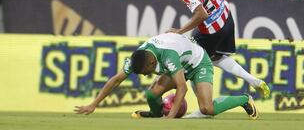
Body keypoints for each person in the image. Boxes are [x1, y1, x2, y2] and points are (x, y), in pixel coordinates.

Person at [74, 33, 258, 119]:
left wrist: (170, 119)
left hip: (198, 62)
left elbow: (182, 87)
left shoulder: (167, 56)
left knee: (207, 109)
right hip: (179, 63)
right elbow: (115, 80)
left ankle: (244, 99)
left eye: (146, 72)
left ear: (152, 64)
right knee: (151, 94)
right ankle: (155, 115)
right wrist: (93, 104)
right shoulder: (138, 57)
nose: (146, 76)